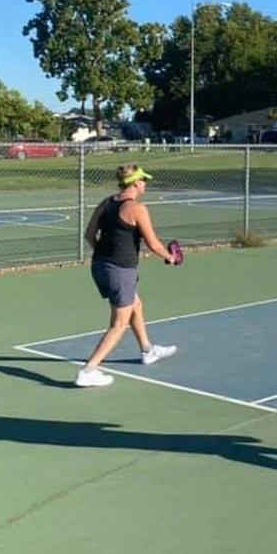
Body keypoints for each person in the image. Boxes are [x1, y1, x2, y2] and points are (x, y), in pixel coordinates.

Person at [75, 164, 179, 388]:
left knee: (136, 305)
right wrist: (170, 257)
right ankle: (88, 370)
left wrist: (106, 256)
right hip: (120, 271)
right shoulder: (137, 209)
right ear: (135, 182)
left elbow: (89, 235)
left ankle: (147, 350)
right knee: (119, 323)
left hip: (100, 267)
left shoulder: (106, 203)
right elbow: (153, 244)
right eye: (144, 180)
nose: (145, 184)